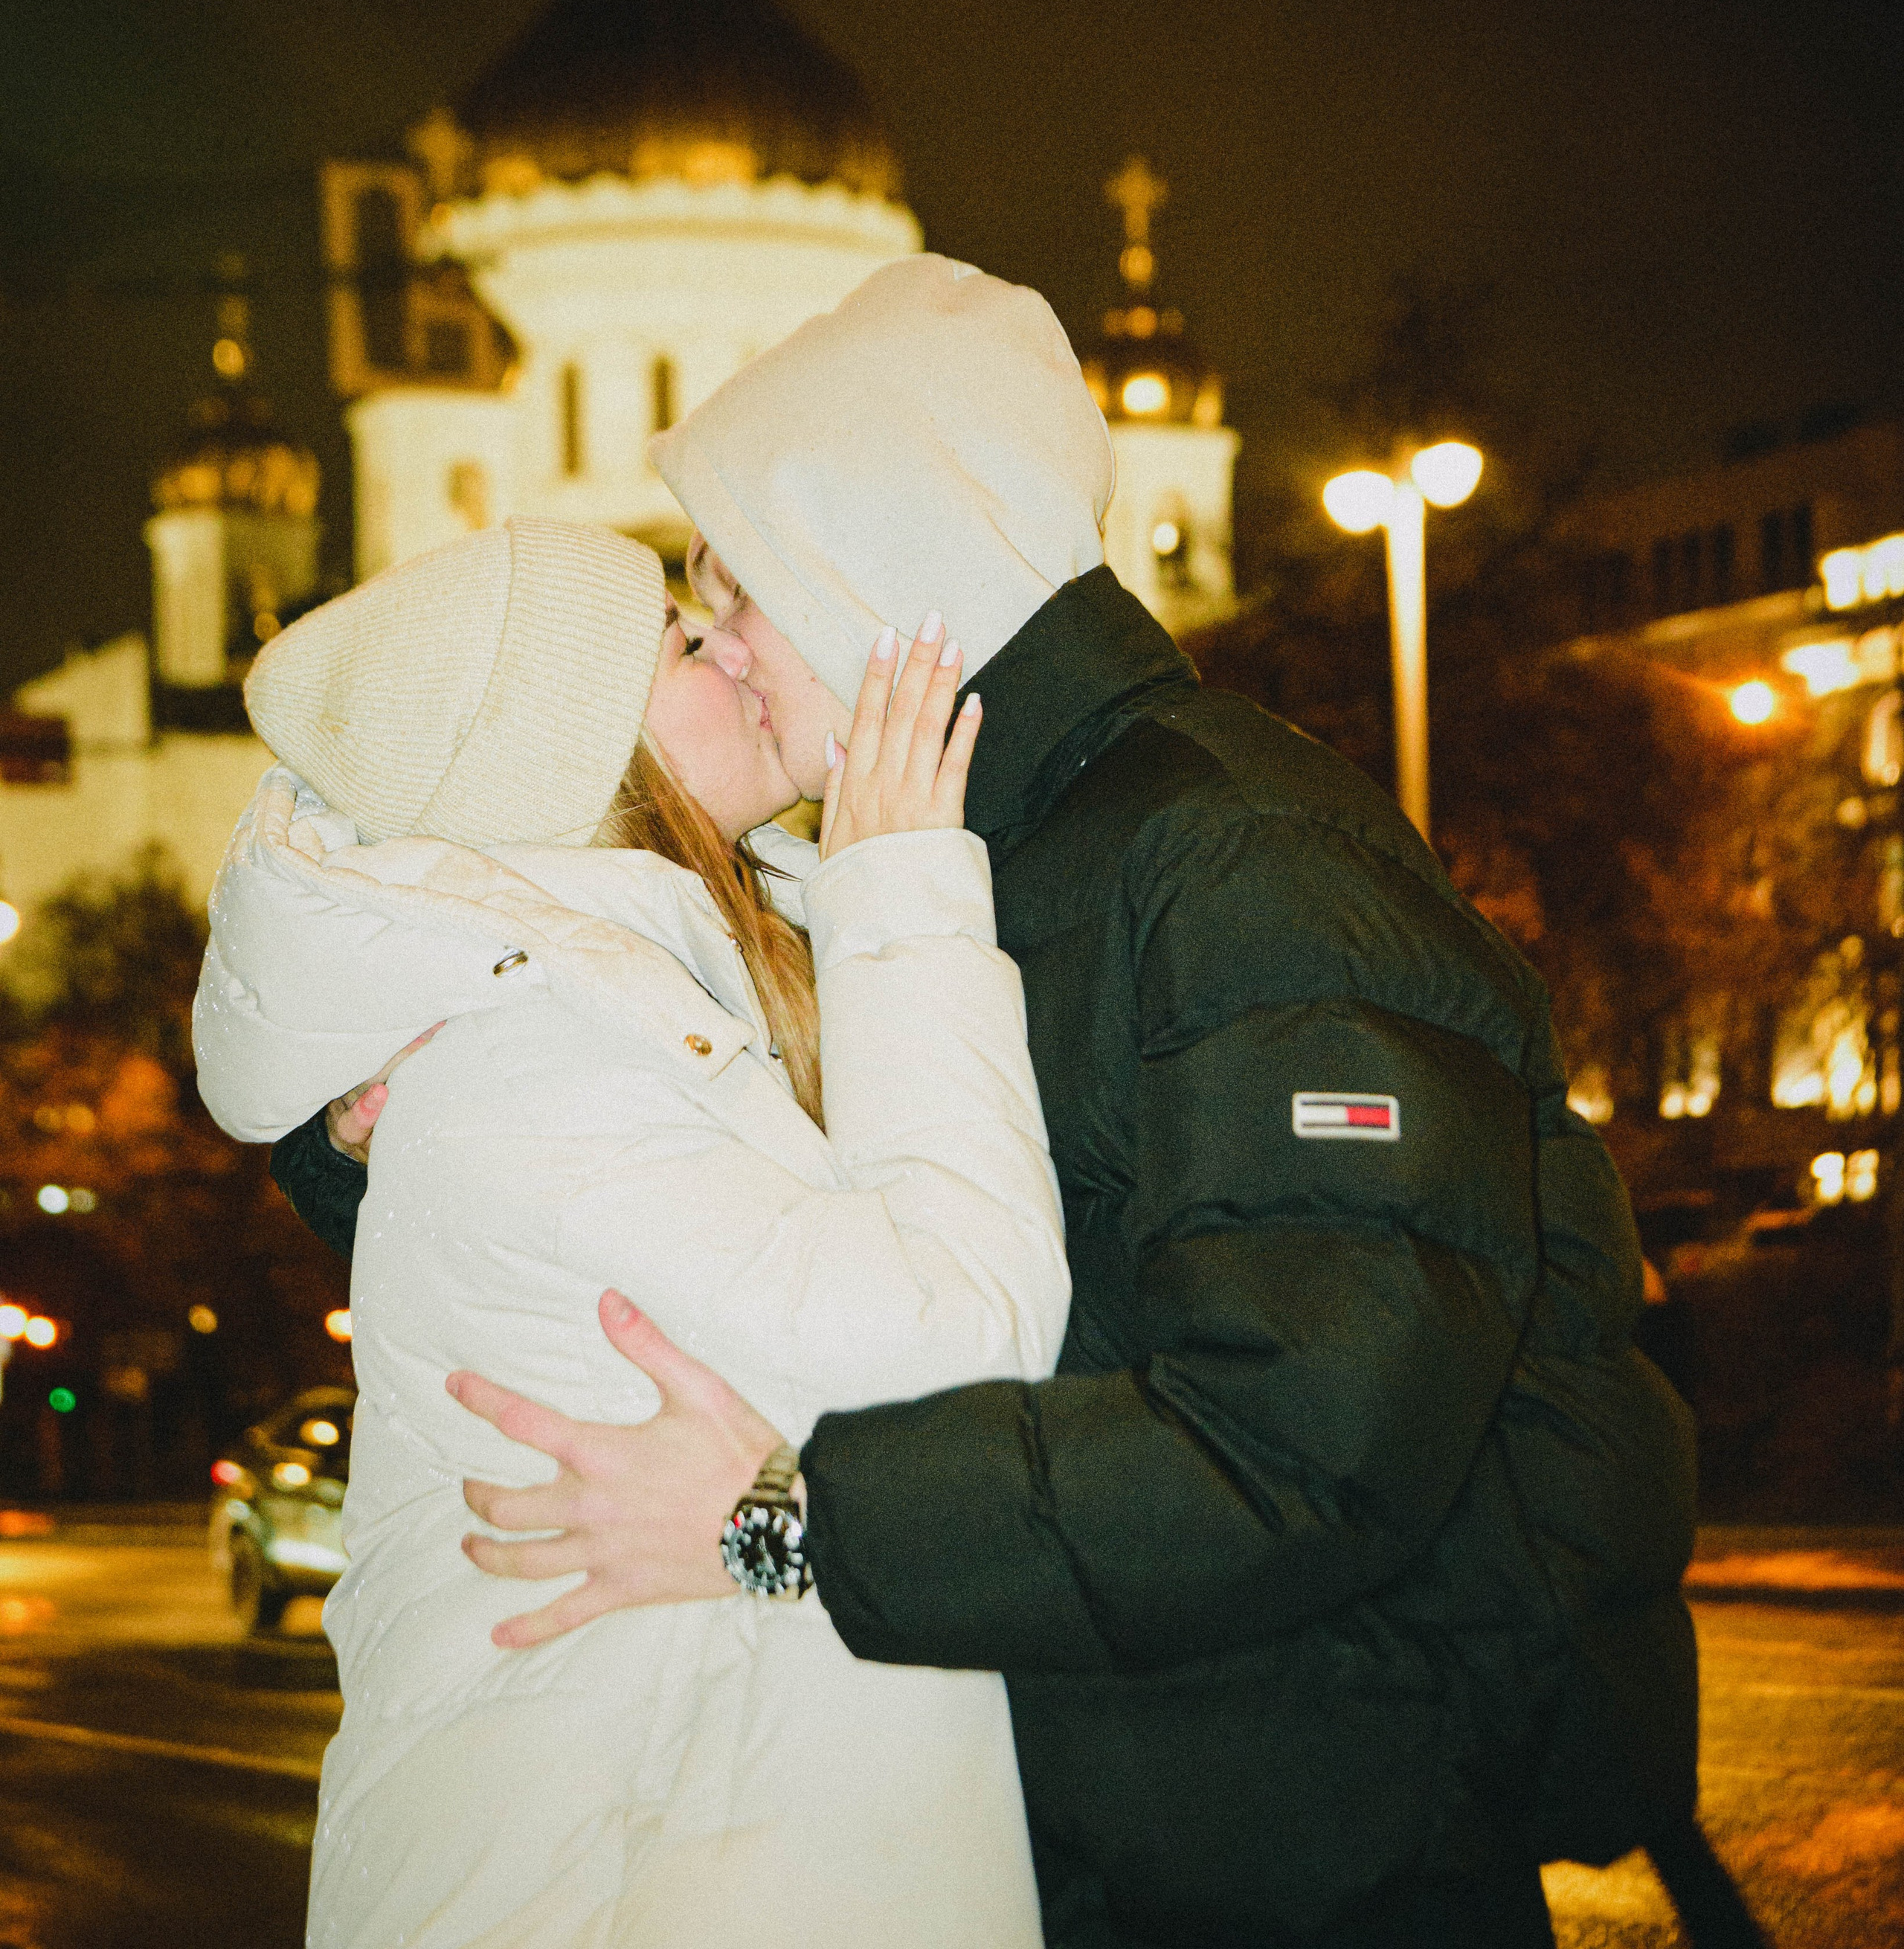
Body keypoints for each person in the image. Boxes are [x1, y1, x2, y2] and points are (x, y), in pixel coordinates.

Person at [274, 257, 1702, 1948]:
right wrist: (357, 1118)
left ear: (877, 566)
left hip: (1294, 1833)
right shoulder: (913, 867)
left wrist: (785, 1526)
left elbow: (1301, 1440)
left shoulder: (1245, 866)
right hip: (1097, 1812)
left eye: (738, 591)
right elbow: (646, 1142)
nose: (718, 650)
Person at [193, 513, 1068, 1949]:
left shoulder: (651, 996)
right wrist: (904, 888)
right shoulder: (542, 1060)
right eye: (680, 638)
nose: (732, 643)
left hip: (666, 1842)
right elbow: (962, 1337)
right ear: (580, 754)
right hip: (622, 1876)